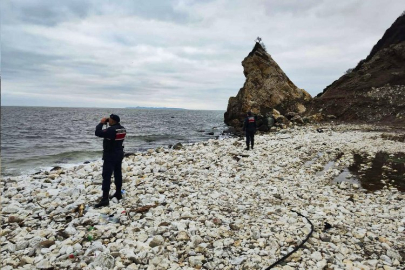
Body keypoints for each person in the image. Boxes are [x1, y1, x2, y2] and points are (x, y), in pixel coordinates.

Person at [94, 114, 126, 208]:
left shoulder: (111, 130)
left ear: (113, 121)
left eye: (110, 119)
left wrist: (101, 123)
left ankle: (105, 199)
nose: (109, 120)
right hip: (119, 153)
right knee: (117, 173)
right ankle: (118, 193)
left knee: (106, 176)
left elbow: (97, 132)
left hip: (110, 155)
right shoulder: (122, 129)